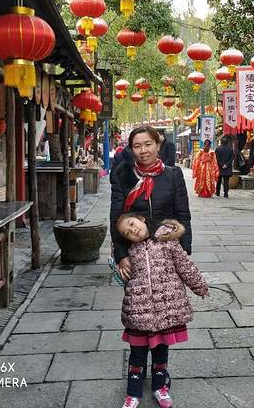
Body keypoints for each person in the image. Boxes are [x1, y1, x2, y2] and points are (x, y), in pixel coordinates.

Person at [115, 214, 209, 408]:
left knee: (160, 353)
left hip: (166, 311)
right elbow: (123, 277)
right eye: (127, 233)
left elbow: (185, 266)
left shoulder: (169, 241)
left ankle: (160, 387)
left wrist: (200, 286)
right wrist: (120, 266)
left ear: (141, 219)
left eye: (132, 224)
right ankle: (133, 393)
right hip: (139, 312)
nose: (132, 231)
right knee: (137, 355)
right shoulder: (129, 251)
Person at [110, 126, 192, 284]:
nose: (143, 151)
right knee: (138, 296)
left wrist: (185, 249)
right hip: (136, 253)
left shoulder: (173, 175)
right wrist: (121, 255)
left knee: (171, 296)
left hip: (168, 249)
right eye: (137, 146)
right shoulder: (122, 176)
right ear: (131, 149)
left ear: (158, 145)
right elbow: (116, 218)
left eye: (148, 144)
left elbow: (183, 214)